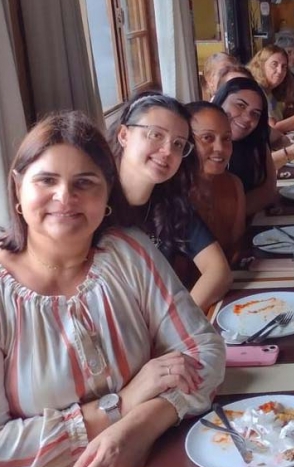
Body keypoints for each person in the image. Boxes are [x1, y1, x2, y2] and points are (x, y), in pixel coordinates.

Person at [0, 111, 225, 467]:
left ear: (107, 196)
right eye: (46, 180)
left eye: (84, 183)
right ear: (18, 188)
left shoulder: (128, 252)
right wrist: (118, 407)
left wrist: (143, 424)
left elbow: (206, 351)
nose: (65, 197)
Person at [110, 92, 232, 311]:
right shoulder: (94, 206)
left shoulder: (170, 203)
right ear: (124, 135)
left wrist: (179, 321)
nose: (167, 151)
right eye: (155, 135)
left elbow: (218, 270)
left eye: (177, 144)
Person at [186, 101, 245, 261]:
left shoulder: (233, 185)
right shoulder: (173, 195)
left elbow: (235, 251)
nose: (220, 148)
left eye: (226, 138)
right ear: (185, 142)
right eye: (207, 138)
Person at [211, 77, 278, 216]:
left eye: (255, 114)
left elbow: (268, 191)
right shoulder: (198, 142)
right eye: (240, 105)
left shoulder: (255, 140)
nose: (248, 118)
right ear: (220, 100)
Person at [247, 45, 294, 133]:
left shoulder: (272, 90)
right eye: (274, 64)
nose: (280, 71)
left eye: (284, 67)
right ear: (261, 66)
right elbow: (273, 129)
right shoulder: (258, 91)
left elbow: (284, 113)